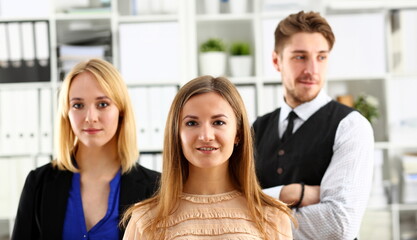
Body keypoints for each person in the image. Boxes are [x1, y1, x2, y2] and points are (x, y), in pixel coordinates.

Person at [122, 76, 295, 240]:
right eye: (192, 123)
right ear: (176, 134)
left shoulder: (273, 215)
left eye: (218, 122)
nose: (206, 135)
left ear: (238, 133)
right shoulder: (145, 219)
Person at [252, 11, 375, 239]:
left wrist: (253, 218)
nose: (312, 70)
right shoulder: (256, 128)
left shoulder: (351, 127)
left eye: (321, 57)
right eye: (300, 57)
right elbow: (229, 201)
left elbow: (339, 224)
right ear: (276, 60)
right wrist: (291, 193)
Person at [12, 58, 160, 240]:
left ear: (121, 110)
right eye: (78, 105)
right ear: (66, 112)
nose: (90, 117)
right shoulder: (39, 183)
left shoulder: (155, 189)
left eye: (102, 104)